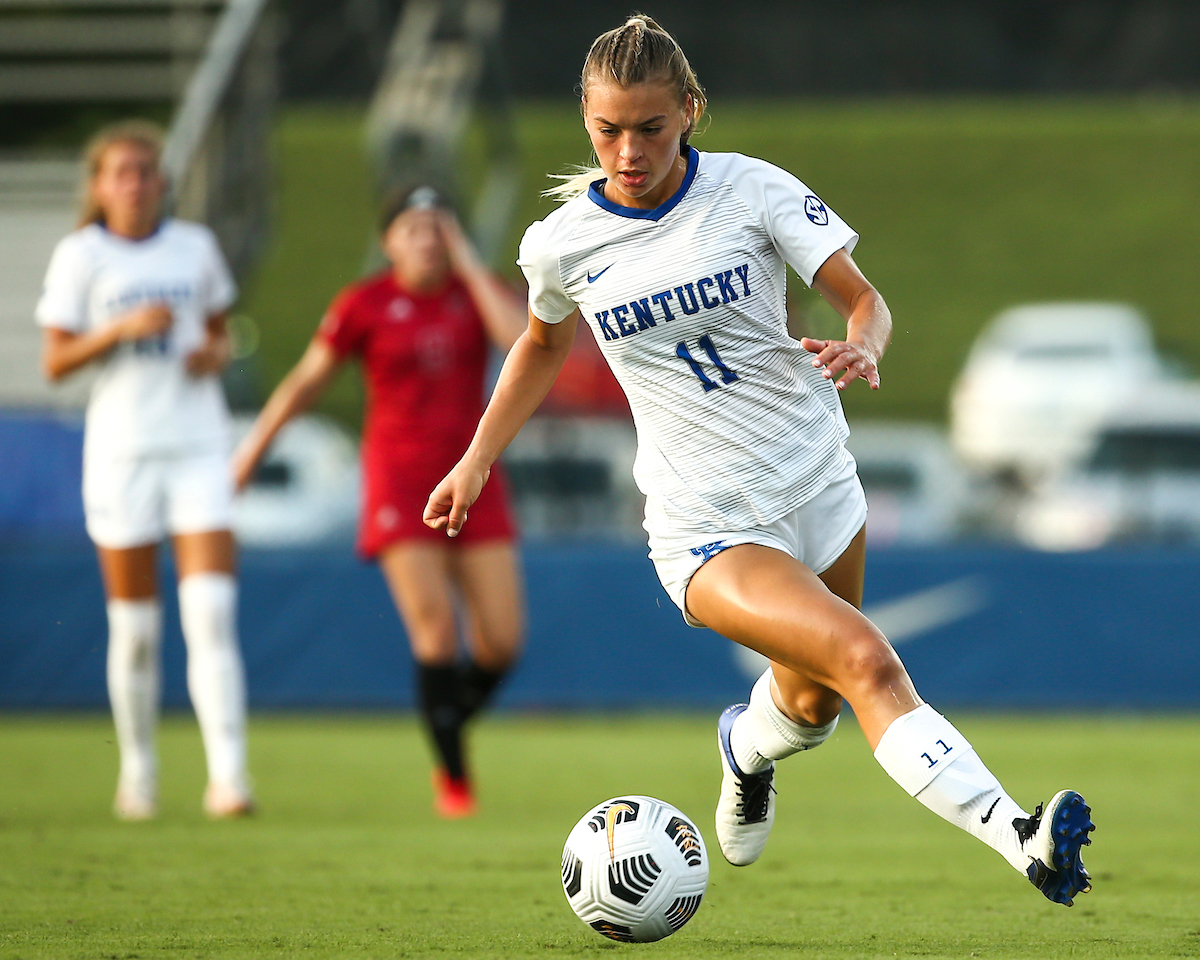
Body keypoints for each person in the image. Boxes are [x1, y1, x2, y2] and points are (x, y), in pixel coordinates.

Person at [425, 14, 1094, 904]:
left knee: (813, 706)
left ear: (690, 110)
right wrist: (475, 459)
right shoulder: (560, 244)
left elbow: (863, 299)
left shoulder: (753, 191)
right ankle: (1024, 840)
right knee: (869, 662)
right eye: (608, 130)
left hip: (817, 480)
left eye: (651, 128)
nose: (629, 150)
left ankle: (744, 748)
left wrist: (866, 342)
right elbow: (542, 347)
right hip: (706, 527)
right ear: (585, 119)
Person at [233, 186, 527, 818]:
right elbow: (306, 382)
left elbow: (518, 338)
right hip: (400, 485)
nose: (426, 240)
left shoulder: (473, 296)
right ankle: (454, 779)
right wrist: (252, 451)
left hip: (475, 479)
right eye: (413, 229)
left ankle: (444, 719)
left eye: (438, 229)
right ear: (388, 241)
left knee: (501, 642)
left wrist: (470, 263)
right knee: (436, 632)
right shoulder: (364, 305)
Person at [38, 120, 252, 820]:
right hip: (123, 452)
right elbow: (56, 361)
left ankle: (229, 779)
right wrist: (118, 330)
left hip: (196, 445)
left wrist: (213, 355)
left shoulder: (194, 247)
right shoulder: (81, 255)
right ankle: (140, 773)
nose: (135, 183)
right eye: (120, 172)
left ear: (162, 182)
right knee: (134, 627)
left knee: (211, 614)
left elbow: (220, 334)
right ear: (99, 187)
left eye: (145, 171)